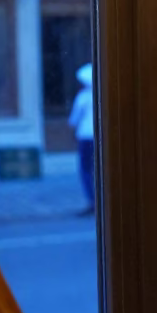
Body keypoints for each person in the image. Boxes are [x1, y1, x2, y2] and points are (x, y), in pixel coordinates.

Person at [68, 63, 95, 216]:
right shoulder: (102, 94)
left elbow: (74, 119)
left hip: (85, 136)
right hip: (98, 136)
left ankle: (91, 200)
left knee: (85, 169)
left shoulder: (83, 97)